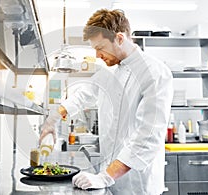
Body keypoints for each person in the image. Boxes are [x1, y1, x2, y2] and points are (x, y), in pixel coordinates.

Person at [39, 9, 173, 195]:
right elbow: (84, 94)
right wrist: (52, 119)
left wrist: (105, 177)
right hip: (110, 180)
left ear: (119, 38)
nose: (97, 55)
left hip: (138, 185)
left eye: (100, 48)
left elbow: (148, 137)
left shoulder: (155, 73)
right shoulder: (111, 72)